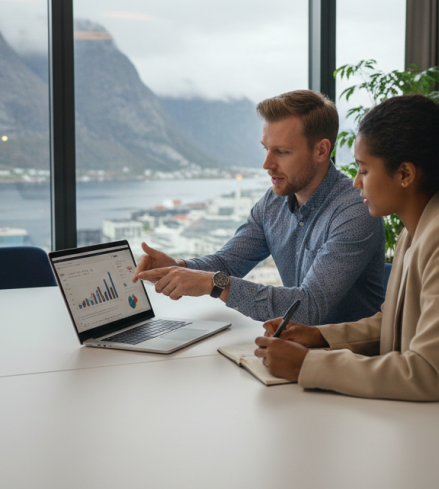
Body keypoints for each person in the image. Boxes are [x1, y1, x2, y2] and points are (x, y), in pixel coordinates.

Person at [253, 94, 439, 428]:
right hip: (435, 417)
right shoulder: (416, 231)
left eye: (364, 170)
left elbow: (428, 373)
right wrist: (318, 337)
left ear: (404, 174)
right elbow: (389, 321)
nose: (356, 182)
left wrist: (307, 366)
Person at [133, 89, 386, 326]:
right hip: (295, 349)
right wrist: (179, 267)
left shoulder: (355, 210)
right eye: (266, 149)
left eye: (282, 152)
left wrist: (215, 283)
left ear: (321, 151)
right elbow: (228, 262)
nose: (266, 164)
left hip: (349, 359)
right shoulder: (272, 203)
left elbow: (309, 307)